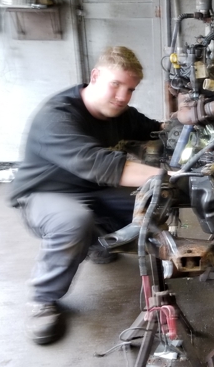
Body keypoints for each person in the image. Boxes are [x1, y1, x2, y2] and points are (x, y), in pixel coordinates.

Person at [10, 46, 167, 345]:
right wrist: (166, 177)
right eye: (115, 84)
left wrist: (182, 122)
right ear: (95, 76)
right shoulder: (57, 116)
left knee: (153, 202)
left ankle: (95, 241)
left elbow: (153, 128)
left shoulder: (119, 113)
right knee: (74, 221)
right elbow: (95, 163)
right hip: (44, 194)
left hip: (91, 191)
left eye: (130, 89)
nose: (122, 96)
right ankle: (43, 298)